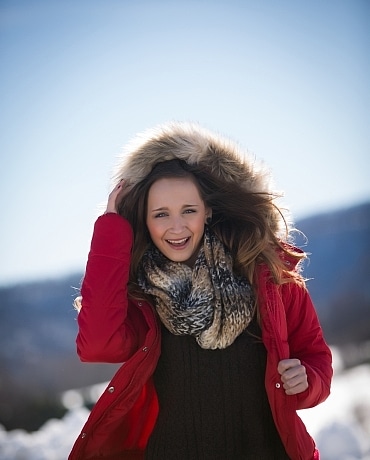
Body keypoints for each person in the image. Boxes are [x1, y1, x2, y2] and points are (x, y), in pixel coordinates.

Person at [69, 122, 333, 460]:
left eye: (188, 211)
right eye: (160, 214)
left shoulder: (268, 276)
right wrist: (111, 227)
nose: (176, 227)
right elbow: (97, 346)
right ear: (144, 221)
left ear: (207, 211)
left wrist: (306, 380)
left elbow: (316, 358)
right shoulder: (141, 295)